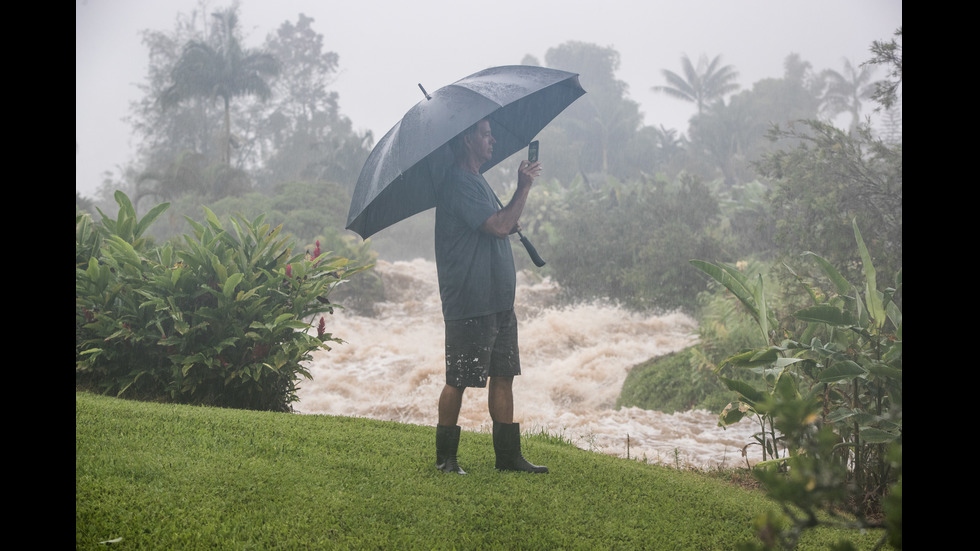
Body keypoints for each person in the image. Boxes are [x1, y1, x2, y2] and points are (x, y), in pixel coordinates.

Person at [432, 118, 547, 475]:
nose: (492, 139)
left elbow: (498, 222)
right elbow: (497, 226)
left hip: (497, 300)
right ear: (467, 140)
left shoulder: (477, 180)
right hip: (471, 300)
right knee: (459, 379)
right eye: (485, 134)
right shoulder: (458, 182)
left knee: (503, 374)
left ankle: (508, 457)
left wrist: (510, 215)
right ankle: (446, 459)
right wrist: (523, 187)